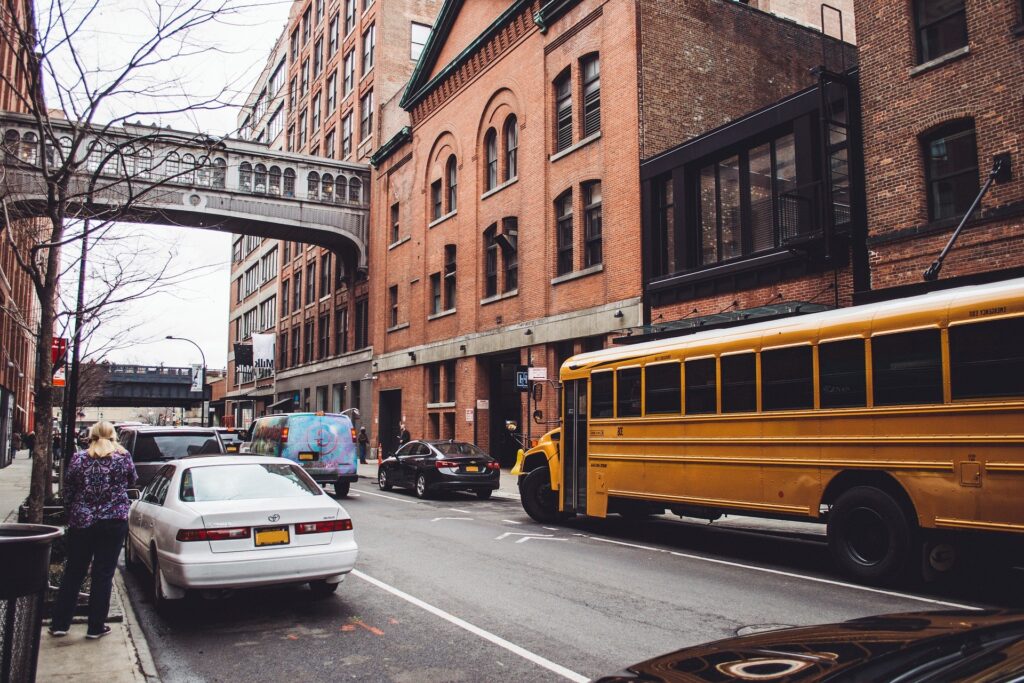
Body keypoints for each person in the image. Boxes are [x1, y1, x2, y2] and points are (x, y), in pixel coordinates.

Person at [50, 421, 137, 640]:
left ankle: (60, 624)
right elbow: (132, 481)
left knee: (74, 571)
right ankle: (95, 627)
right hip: (113, 520)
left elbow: (69, 490)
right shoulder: (123, 457)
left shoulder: (79, 458)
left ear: (92, 436)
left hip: (83, 521)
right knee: (103, 573)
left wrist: (71, 513)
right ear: (113, 436)